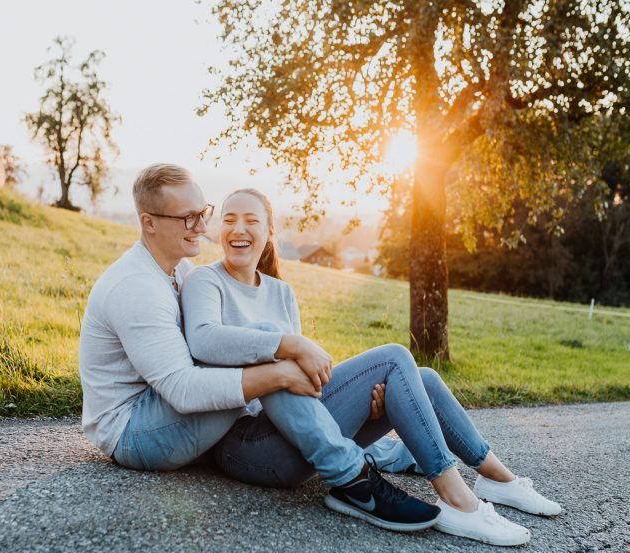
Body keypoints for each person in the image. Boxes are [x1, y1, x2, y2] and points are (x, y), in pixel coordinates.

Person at [182, 188, 564, 546]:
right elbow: (203, 339)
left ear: (268, 232)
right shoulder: (206, 281)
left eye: (250, 220)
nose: (238, 229)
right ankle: (457, 500)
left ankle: (498, 478)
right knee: (394, 357)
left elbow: (302, 386)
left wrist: (367, 408)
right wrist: (291, 343)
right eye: (229, 219)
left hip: (293, 432)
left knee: (423, 378)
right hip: (246, 446)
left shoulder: (280, 292)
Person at [78, 163, 439, 533]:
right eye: (188, 219)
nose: (203, 229)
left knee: (253, 346)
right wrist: (279, 369)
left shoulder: (181, 271)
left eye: (203, 214)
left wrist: (351, 404)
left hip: (171, 413)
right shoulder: (137, 286)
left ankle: (369, 456)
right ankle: (354, 479)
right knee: (260, 348)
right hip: (135, 431)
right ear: (149, 223)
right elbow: (184, 390)